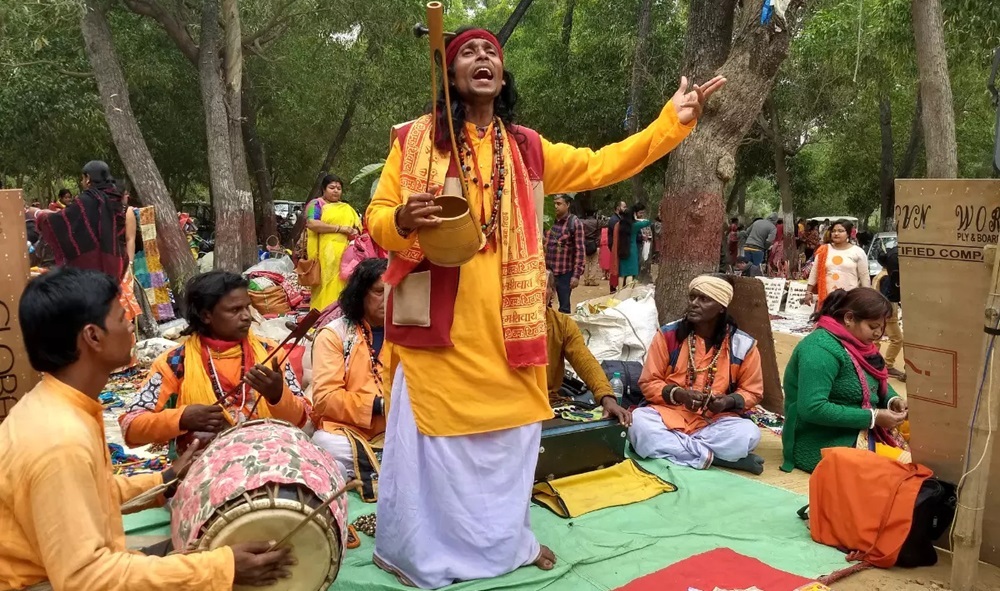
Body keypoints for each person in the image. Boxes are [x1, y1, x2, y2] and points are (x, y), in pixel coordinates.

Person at [365, 24, 723, 589]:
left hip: (512, 324)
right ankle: (424, 551)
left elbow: (603, 164)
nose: (483, 58)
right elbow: (378, 218)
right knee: (435, 448)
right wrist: (404, 218)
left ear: (502, 76)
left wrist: (668, 123)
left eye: (492, 52)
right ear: (450, 74)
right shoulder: (413, 141)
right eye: (468, 53)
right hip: (438, 326)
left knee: (509, 444)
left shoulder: (527, 148)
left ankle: (503, 544)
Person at [0, 267, 294, 591]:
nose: (131, 324)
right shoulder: (61, 439)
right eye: (122, 316)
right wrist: (220, 569)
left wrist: (165, 480)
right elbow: (86, 578)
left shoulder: (60, 407)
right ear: (93, 337)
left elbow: (92, 492)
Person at [118, 271, 311, 455]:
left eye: (247, 307)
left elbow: (304, 418)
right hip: (205, 469)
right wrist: (181, 419)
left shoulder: (271, 352)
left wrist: (278, 396)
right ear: (206, 316)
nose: (246, 316)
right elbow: (130, 426)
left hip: (271, 459)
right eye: (235, 310)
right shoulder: (176, 361)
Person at [630, 275, 765, 474]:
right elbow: (649, 381)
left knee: (748, 434)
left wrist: (726, 402)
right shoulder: (668, 335)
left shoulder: (743, 344)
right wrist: (679, 394)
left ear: (720, 307)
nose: (694, 304)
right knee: (638, 422)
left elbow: (753, 391)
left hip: (714, 420)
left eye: (704, 299)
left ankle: (676, 449)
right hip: (669, 414)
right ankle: (717, 459)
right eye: (692, 297)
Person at [781, 288, 909, 473]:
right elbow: (812, 408)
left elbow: (873, 381)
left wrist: (893, 400)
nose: (878, 334)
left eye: (882, 328)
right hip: (822, 439)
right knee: (906, 468)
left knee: (925, 438)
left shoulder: (860, 346)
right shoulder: (819, 349)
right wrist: (872, 417)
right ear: (849, 318)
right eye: (873, 327)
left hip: (860, 426)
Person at [311, 258, 389, 501]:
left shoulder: (408, 332)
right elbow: (325, 399)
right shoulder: (335, 334)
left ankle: (370, 470)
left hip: (394, 430)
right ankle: (387, 469)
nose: (389, 299)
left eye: (395, 291)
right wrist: (379, 406)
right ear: (360, 294)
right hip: (346, 434)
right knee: (323, 444)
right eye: (379, 291)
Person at [544, 271, 630, 425]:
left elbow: (584, 360)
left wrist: (607, 397)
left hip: (548, 402)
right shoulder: (501, 323)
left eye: (542, 286)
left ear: (552, 293)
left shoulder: (562, 324)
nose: (534, 293)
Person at [37, 161, 127, 282]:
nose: (81, 182)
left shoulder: (87, 199)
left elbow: (63, 220)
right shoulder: (116, 198)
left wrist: (40, 215)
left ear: (88, 178)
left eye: (82, 178)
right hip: (117, 261)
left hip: (94, 266)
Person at [305, 174, 362, 311]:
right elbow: (312, 223)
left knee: (342, 283)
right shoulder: (316, 204)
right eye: (331, 187)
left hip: (343, 254)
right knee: (324, 285)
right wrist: (340, 228)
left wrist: (353, 232)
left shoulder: (346, 208)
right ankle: (321, 315)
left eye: (339, 188)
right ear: (323, 189)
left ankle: (338, 314)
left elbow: (357, 228)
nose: (336, 190)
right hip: (322, 254)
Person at [803, 219, 870, 309]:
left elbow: (864, 276)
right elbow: (814, 273)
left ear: (849, 234)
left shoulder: (858, 252)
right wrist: (808, 292)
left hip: (849, 299)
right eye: (833, 231)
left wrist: (868, 297)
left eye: (840, 231)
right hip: (826, 298)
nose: (836, 233)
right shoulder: (824, 250)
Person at [545, 194, 585, 313]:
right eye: (554, 204)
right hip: (547, 271)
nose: (556, 206)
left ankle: (563, 330)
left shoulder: (574, 223)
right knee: (546, 304)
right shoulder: (548, 220)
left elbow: (580, 250)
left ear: (567, 205)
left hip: (565, 273)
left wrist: (576, 275)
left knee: (564, 307)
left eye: (559, 204)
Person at [875, 246, 905, 381]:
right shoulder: (888, 277)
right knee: (897, 339)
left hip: (878, 313)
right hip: (887, 313)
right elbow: (888, 297)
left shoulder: (880, 275)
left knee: (875, 339)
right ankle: (888, 364)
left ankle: (873, 364)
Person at [613, 203, 651, 287]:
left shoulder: (620, 225)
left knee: (622, 274)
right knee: (630, 273)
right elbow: (647, 222)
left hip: (622, 249)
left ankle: (619, 291)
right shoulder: (634, 225)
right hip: (632, 250)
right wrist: (638, 219)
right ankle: (628, 291)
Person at [607, 200, 627, 293]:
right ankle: (613, 287)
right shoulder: (614, 220)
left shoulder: (619, 218)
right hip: (615, 246)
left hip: (619, 246)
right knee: (615, 267)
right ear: (618, 208)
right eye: (624, 207)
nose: (625, 209)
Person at [581, 207, 602, 287]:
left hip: (585, 244)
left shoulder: (582, 222)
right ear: (594, 214)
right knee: (594, 263)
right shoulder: (597, 222)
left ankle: (586, 280)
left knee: (586, 262)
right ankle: (592, 279)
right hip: (594, 244)